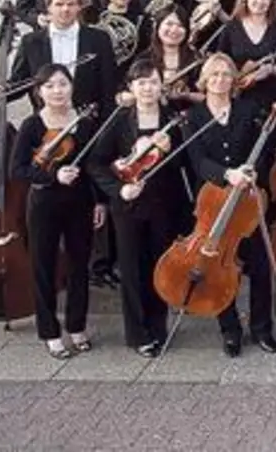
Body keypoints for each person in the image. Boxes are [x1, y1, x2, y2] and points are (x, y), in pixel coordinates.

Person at [88, 59, 190, 357]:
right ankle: (137, 333)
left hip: (163, 205)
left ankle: (158, 326)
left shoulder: (173, 119)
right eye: (141, 82)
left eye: (153, 81)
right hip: (129, 206)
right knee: (131, 269)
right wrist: (119, 189)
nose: (147, 87)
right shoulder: (120, 120)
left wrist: (172, 151)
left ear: (162, 86)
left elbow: (186, 163)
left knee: (159, 267)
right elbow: (96, 163)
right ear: (131, 87)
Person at [185, 53, 276, 358]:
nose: (220, 80)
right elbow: (197, 161)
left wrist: (252, 173)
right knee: (218, 269)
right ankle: (230, 329)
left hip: (248, 202)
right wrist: (227, 174)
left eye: (226, 75)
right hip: (212, 203)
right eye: (214, 75)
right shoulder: (193, 117)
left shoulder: (249, 110)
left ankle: (263, 328)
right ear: (204, 80)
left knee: (261, 267)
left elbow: (264, 150)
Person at [10, 64, 101, 359]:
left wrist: (99, 201)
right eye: (49, 86)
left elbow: (93, 167)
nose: (57, 91)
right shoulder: (32, 126)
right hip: (44, 202)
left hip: (80, 202)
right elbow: (18, 169)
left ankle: (76, 326)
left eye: (62, 84)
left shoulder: (84, 122)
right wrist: (52, 177)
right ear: (39, 92)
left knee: (79, 266)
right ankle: (50, 332)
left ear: (71, 87)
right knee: (44, 267)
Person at [4, 0, 119, 116]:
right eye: (59, 4)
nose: (65, 9)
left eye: (71, 4)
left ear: (79, 7)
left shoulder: (99, 39)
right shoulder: (30, 42)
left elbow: (109, 84)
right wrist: (2, 91)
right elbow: (20, 82)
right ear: (48, 8)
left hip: (88, 121)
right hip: (45, 122)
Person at [217, 0, 276, 118]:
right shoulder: (232, 27)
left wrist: (270, 70)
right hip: (238, 99)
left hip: (271, 102)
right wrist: (237, 77)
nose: (260, 2)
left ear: (272, 1)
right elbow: (220, 62)